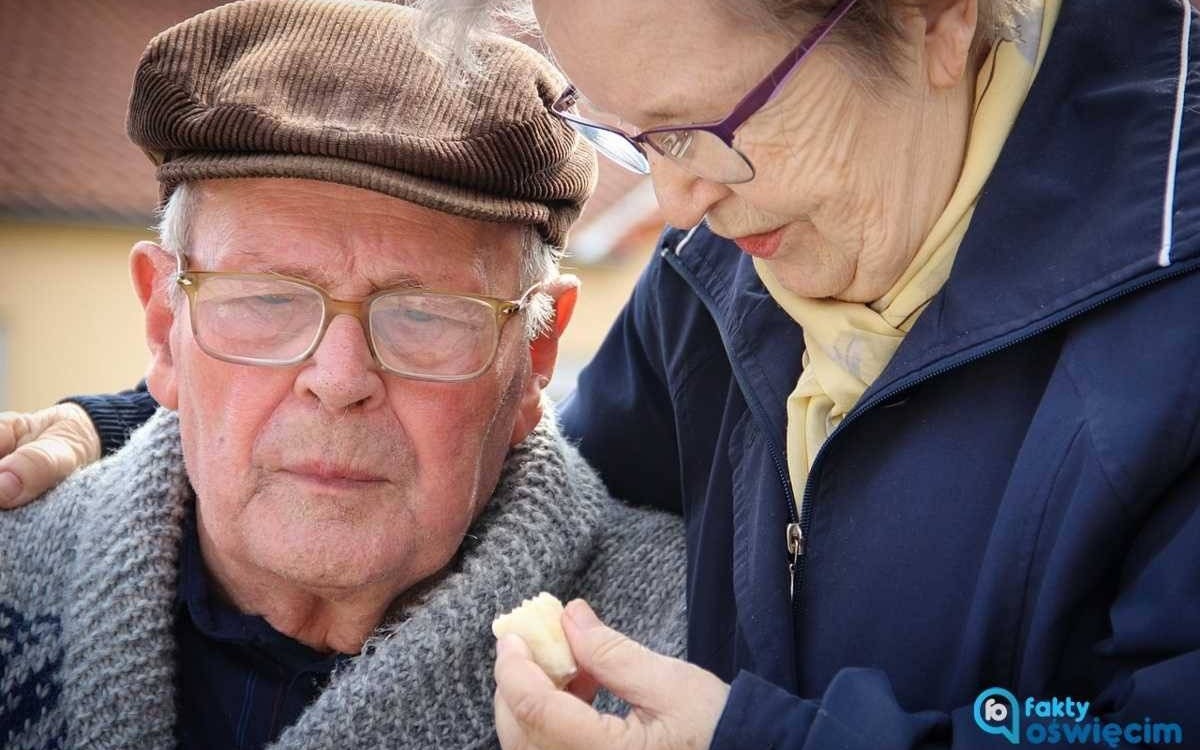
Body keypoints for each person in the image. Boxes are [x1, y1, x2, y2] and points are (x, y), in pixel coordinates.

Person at [5, 0, 1200, 747]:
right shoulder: (720, 274)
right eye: (631, 137)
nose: (675, 205)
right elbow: (488, 441)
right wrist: (134, 428)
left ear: (937, 18)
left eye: (712, 124)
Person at [0, 1, 690, 748]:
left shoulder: (694, 644)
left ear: (536, 354)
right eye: (268, 300)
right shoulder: (13, 568)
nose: (337, 380)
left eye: (423, 314)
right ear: (166, 328)